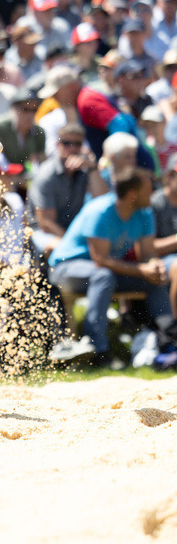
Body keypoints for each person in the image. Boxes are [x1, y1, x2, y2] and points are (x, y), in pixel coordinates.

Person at [48, 168, 172, 367]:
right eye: (149, 189)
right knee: (103, 275)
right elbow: (100, 259)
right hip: (66, 269)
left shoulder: (144, 212)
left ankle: (168, 343)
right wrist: (142, 270)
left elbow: (147, 254)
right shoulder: (100, 211)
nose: (154, 193)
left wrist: (153, 265)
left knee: (154, 280)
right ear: (132, 194)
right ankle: (97, 350)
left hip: (105, 272)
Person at [28, 123, 108, 256]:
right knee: (59, 248)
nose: (72, 148)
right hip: (41, 232)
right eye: (67, 143)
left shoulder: (84, 169)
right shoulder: (46, 175)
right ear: (58, 145)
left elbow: (104, 201)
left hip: (71, 230)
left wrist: (92, 169)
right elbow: (46, 223)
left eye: (77, 144)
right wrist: (73, 241)